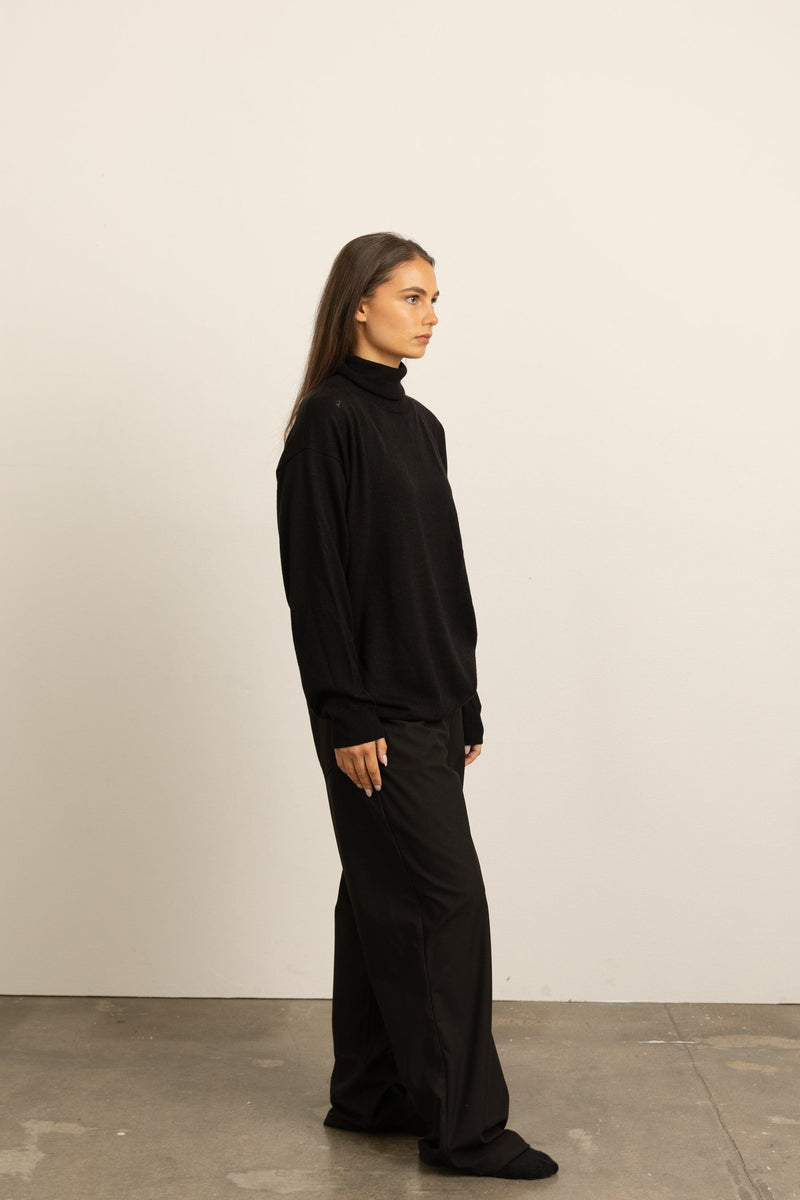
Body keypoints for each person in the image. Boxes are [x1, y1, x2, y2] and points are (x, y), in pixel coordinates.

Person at [276, 232, 558, 1181]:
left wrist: (464, 700)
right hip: (376, 715)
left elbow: (437, 573)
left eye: (435, 299)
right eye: (412, 296)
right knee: (446, 908)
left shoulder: (421, 425)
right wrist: (346, 714)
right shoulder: (328, 422)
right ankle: (465, 1131)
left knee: (377, 895)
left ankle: (369, 1093)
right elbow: (316, 585)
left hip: (430, 707)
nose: (430, 315)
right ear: (359, 303)